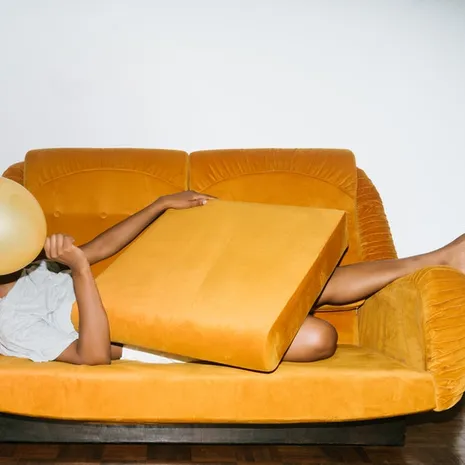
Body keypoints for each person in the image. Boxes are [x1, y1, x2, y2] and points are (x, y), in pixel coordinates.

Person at [0, 190, 464, 366]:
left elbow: (99, 248)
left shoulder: (24, 258)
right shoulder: (9, 323)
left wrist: (159, 205)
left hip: (163, 284)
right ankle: (441, 258)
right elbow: (94, 354)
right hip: (151, 334)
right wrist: (81, 271)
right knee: (319, 339)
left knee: (302, 282)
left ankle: (440, 258)